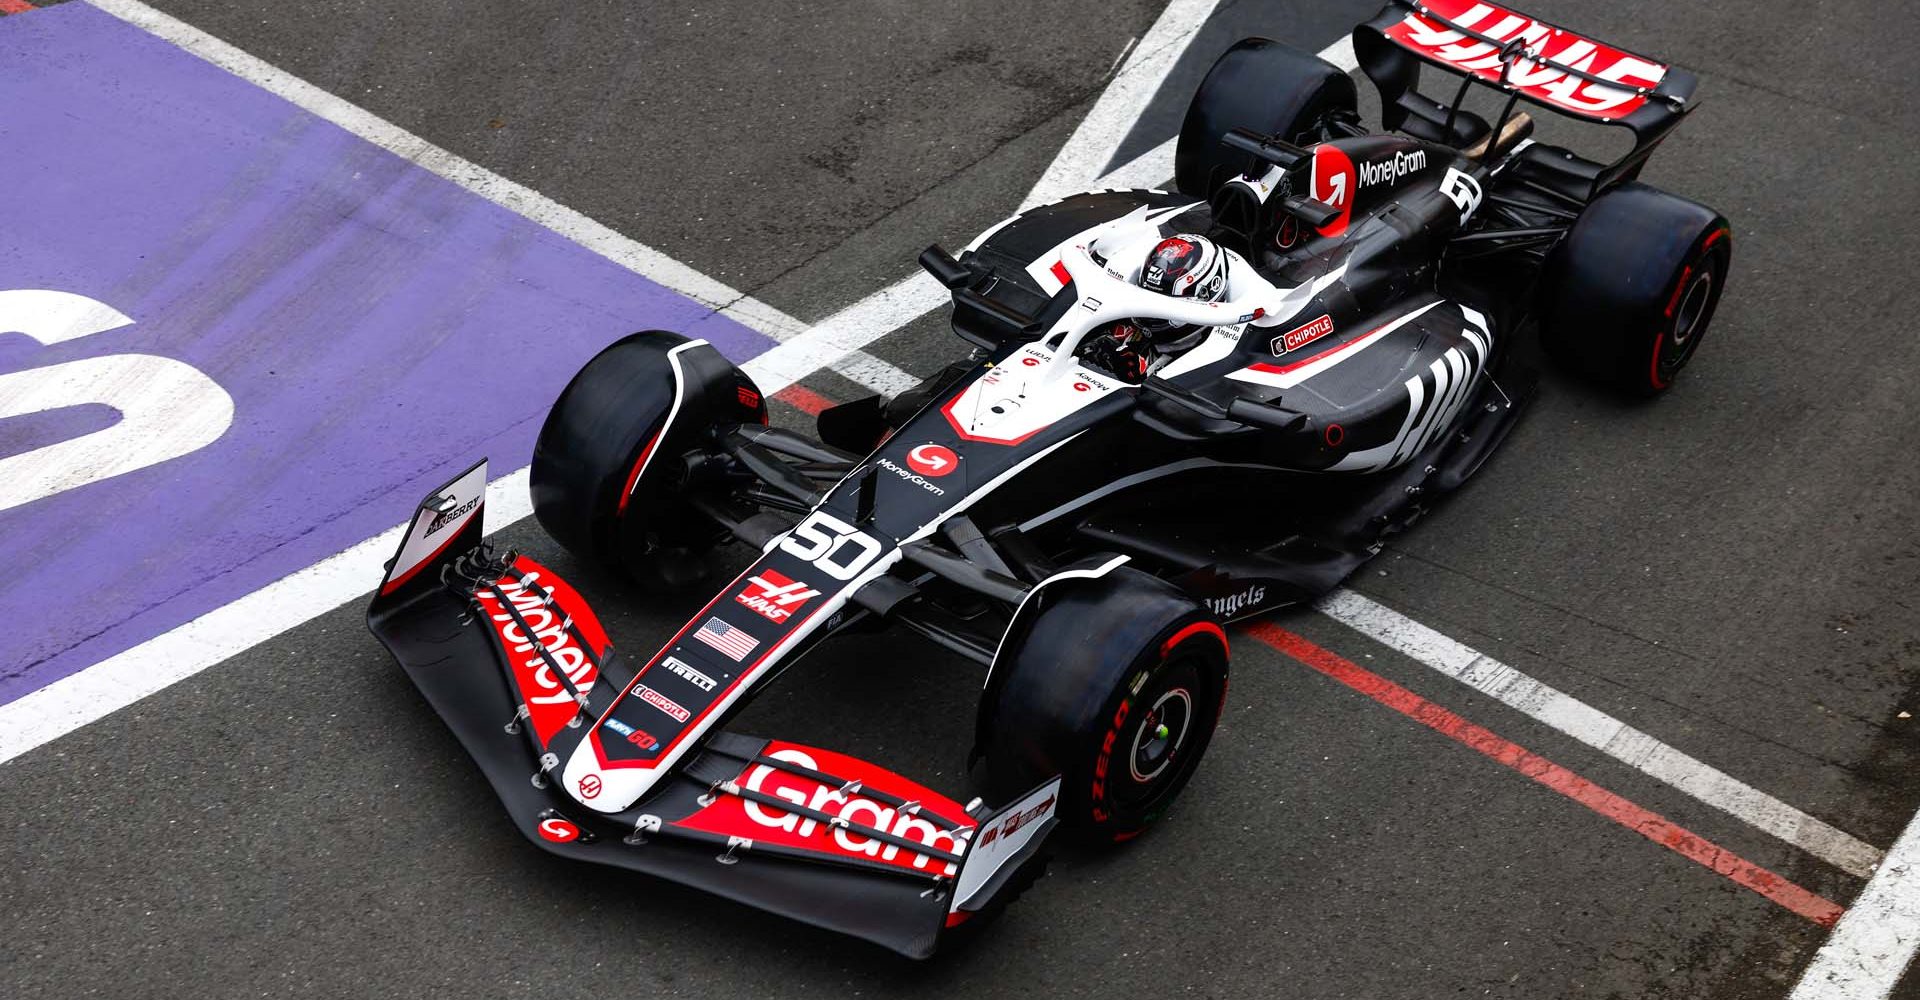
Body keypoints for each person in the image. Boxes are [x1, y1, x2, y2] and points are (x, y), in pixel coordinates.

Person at [1080, 234, 1231, 381]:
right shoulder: (1124, 324)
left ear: (1206, 295)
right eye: (1147, 298)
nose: (1151, 314)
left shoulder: (1217, 359)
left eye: (1164, 306)